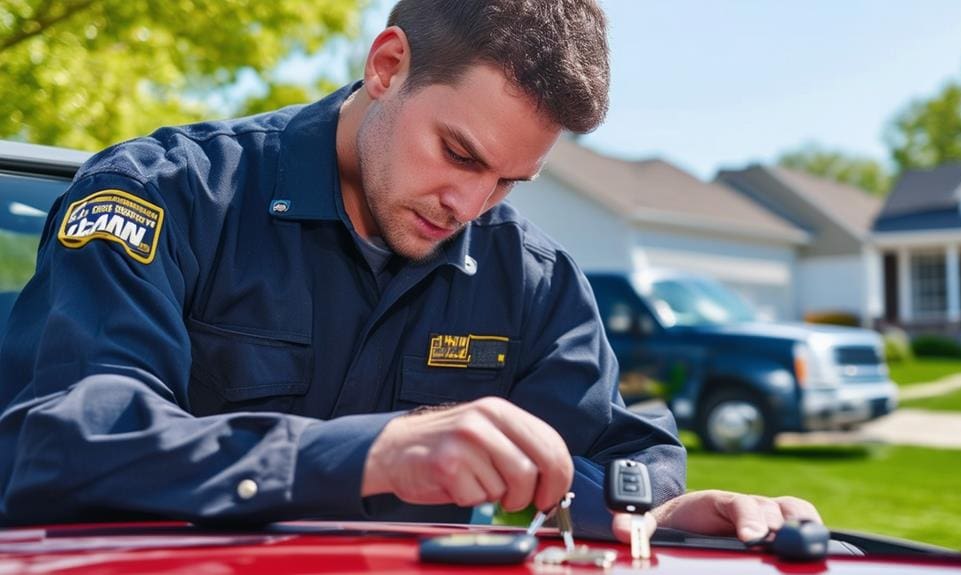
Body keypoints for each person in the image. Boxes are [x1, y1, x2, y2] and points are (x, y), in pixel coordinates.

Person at [0, 0, 819, 542]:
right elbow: (66, 443)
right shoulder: (164, 199)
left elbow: (601, 457)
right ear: (387, 65)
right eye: (458, 153)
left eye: (507, 180)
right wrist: (373, 454)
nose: (470, 202)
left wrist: (662, 516)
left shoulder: (530, 280)